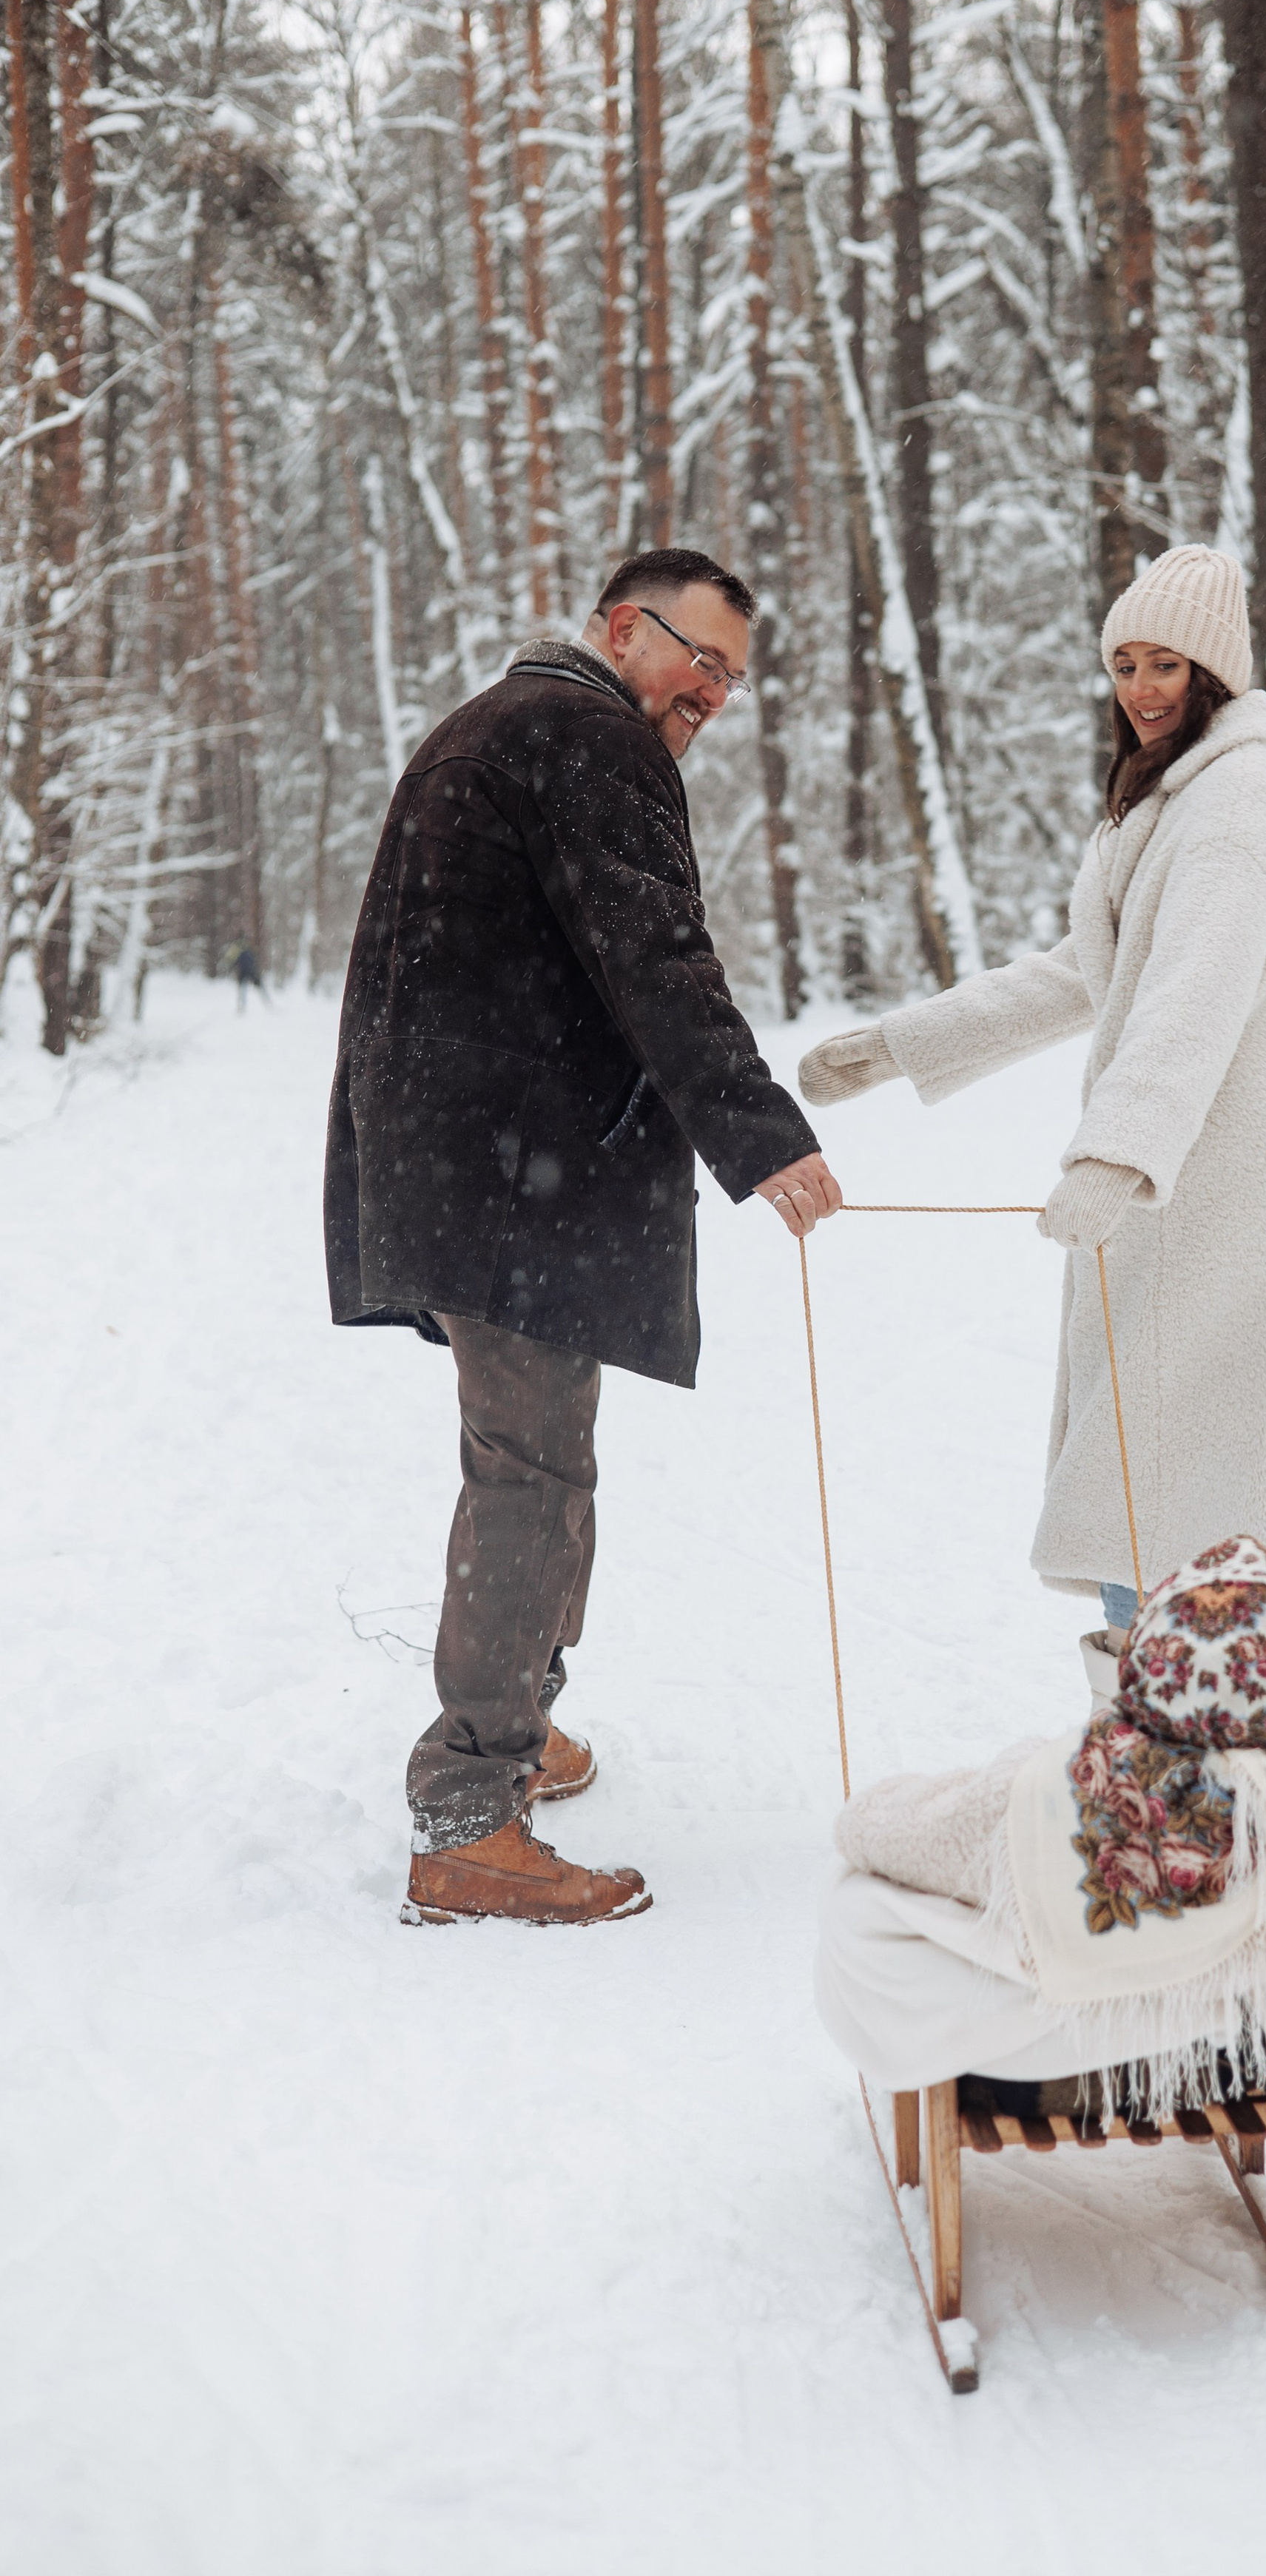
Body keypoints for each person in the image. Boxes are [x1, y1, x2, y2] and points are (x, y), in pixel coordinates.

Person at [325, 547, 842, 1926]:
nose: (715, 693)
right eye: (699, 658)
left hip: (483, 1164)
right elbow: (657, 954)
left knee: (542, 1456)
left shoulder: (501, 725)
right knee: (531, 1475)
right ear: (624, 629)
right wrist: (762, 1133)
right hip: (514, 1175)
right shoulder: (582, 735)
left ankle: (518, 1722)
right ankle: (469, 1812)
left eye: (734, 674)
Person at [800, 543, 1266, 1652]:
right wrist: (898, 1047)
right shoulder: (1171, 801)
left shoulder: (1240, 807)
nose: (1144, 689)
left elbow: (1193, 999)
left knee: (1236, 1486)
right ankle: (1167, 1743)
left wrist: (1114, 1155)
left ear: (1217, 674)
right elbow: (1091, 970)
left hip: (1246, 1196)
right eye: (1125, 664)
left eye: (1168, 665)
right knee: (1164, 1477)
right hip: (1191, 1186)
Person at [815, 1537, 1266, 2110]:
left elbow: (870, 1831)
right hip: (1236, 2039)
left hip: (1041, 2036)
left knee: (858, 1909)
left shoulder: (1045, 1787)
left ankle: (1069, 2060)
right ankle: (1198, 2040)